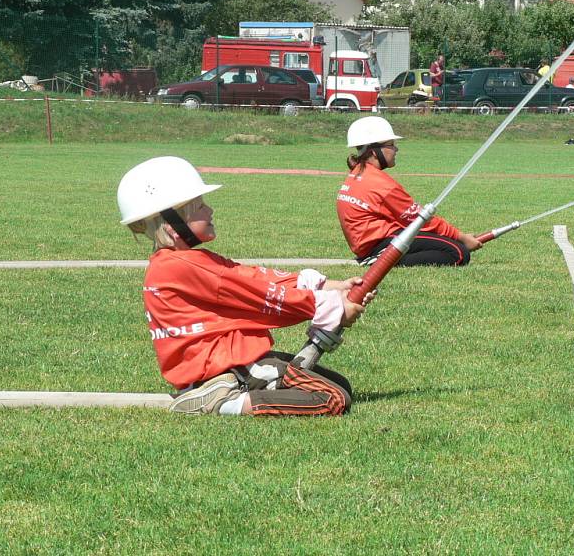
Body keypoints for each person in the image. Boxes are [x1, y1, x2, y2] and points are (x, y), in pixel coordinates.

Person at [117, 156, 374, 416]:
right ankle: (226, 404)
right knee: (333, 398)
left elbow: (252, 277)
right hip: (224, 368)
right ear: (173, 225)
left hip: (223, 366)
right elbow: (262, 294)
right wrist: (329, 307)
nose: (209, 210)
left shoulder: (178, 263)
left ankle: (227, 391)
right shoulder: (183, 266)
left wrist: (329, 287)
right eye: (199, 207)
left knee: (340, 385)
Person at [337, 117, 484, 267]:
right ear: (374, 152)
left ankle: (381, 257)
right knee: (458, 253)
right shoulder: (381, 184)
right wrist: (461, 237)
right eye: (391, 145)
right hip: (379, 243)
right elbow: (420, 219)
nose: (396, 149)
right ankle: (382, 260)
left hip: (369, 243)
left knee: (449, 245)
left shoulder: (357, 173)